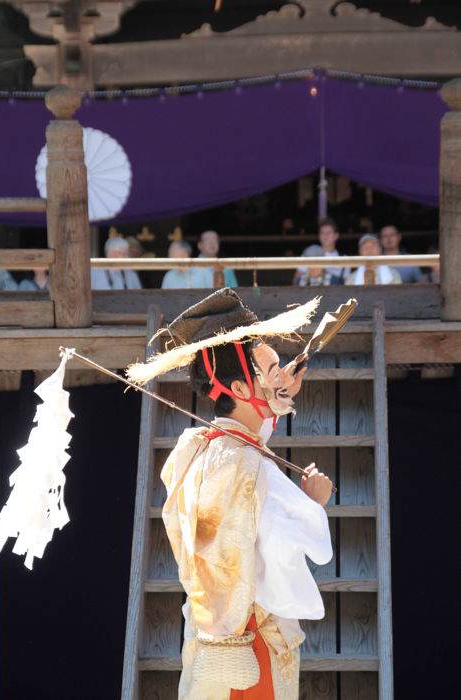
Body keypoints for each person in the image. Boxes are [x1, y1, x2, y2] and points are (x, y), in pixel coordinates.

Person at [128, 288, 333, 699]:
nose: (283, 376)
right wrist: (313, 504)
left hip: (211, 643)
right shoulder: (250, 469)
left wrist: (278, 395)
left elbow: (254, 426)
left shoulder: (205, 446)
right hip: (253, 649)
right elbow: (289, 552)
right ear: (240, 386)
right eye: (273, 369)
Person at [293, 218, 347, 286]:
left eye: (328, 232)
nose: (325, 236)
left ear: (336, 235)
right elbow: (296, 281)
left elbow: (346, 284)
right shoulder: (308, 254)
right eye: (322, 232)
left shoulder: (344, 258)